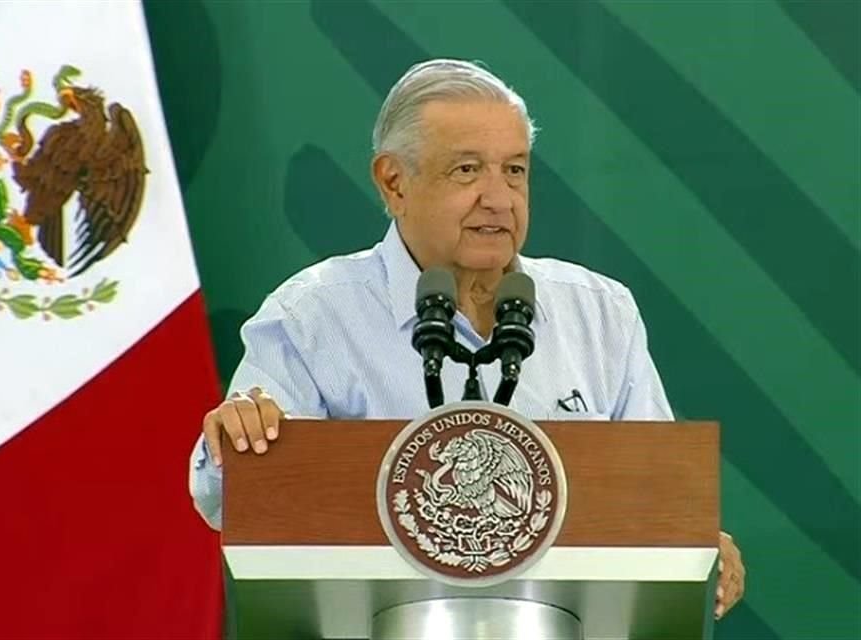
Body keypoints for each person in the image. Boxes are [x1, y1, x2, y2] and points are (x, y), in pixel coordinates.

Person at [189, 59, 744, 619]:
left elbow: (657, 500)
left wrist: (696, 549)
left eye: (515, 170)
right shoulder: (311, 317)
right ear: (393, 182)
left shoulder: (601, 313)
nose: (499, 198)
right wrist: (238, 440)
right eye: (467, 170)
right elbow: (230, 498)